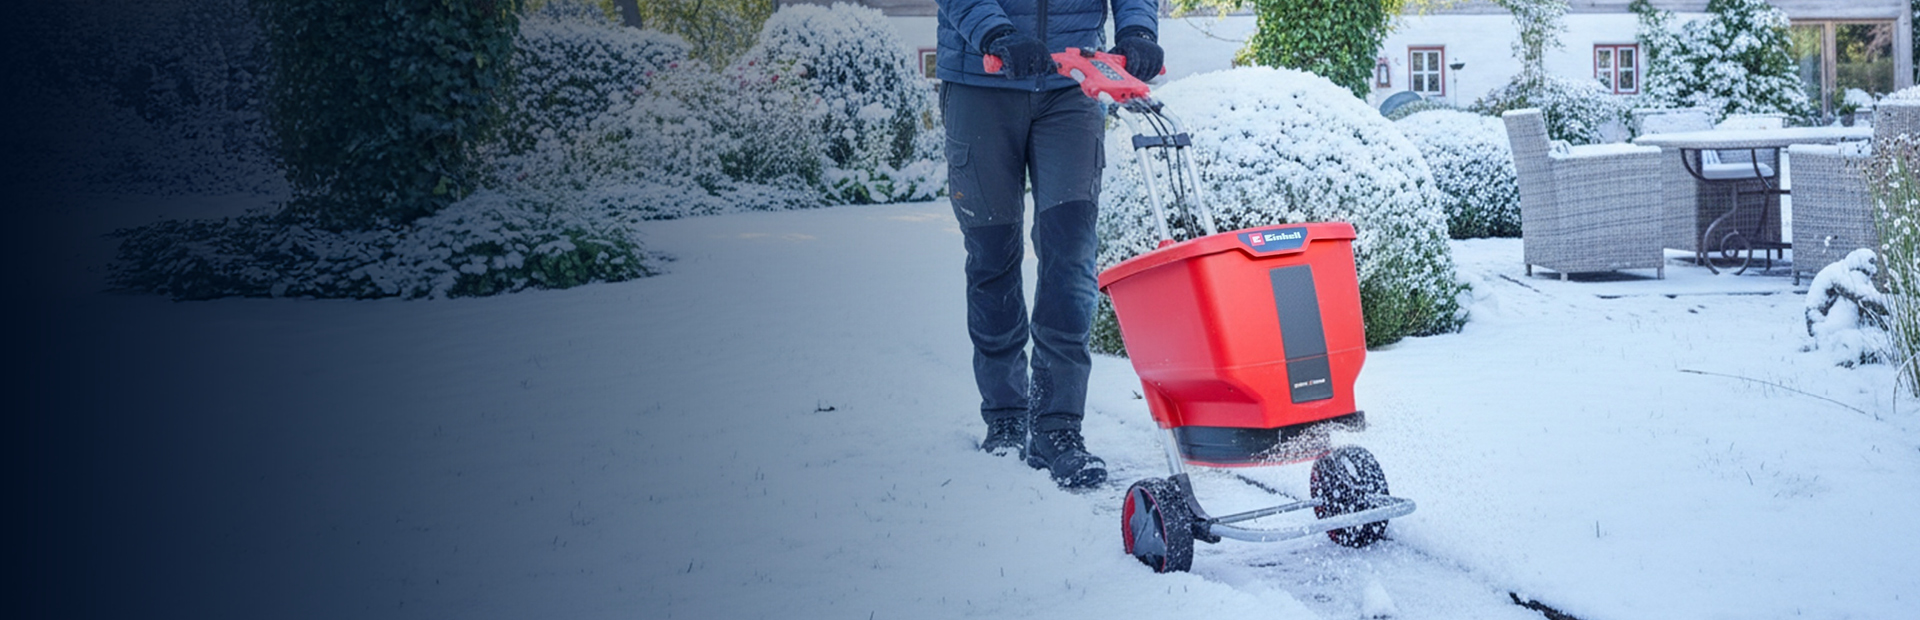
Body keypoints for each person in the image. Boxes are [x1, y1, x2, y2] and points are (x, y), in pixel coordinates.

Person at [935, 0, 1162, 488]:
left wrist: (1138, 29)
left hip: (1071, 84)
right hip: (983, 79)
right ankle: (1006, 416)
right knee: (992, 257)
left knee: (1072, 258)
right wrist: (994, 33)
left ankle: (1057, 427)